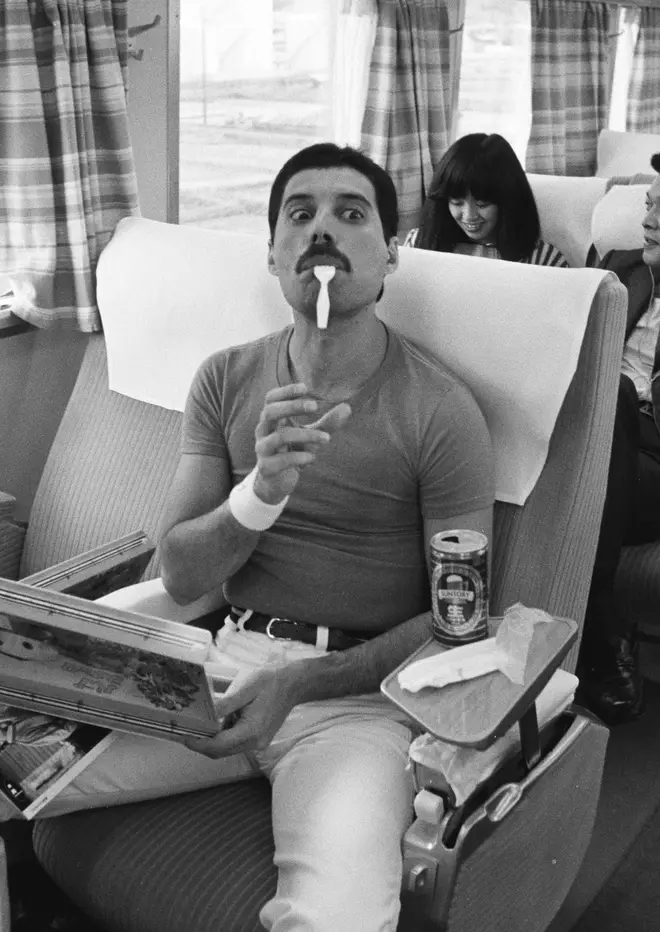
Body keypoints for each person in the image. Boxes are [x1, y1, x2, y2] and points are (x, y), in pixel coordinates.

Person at [5, 144, 494, 932]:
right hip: (219, 667)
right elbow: (179, 564)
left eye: (351, 212)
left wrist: (304, 684)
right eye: (300, 214)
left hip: (356, 703)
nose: (322, 229)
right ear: (272, 256)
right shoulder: (226, 379)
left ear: (391, 254)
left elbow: (458, 623)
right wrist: (258, 495)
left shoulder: (441, 412)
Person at [576, 153, 660, 727]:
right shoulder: (618, 268)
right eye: (651, 198)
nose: (649, 208)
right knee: (607, 401)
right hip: (596, 443)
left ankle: (595, 638)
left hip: (654, 459)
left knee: (620, 398)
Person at [404, 133, 569, 267]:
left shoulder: (544, 260)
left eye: (482, 204)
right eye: (457, 202)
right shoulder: (418, 244)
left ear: (507, 202)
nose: (469, 216)